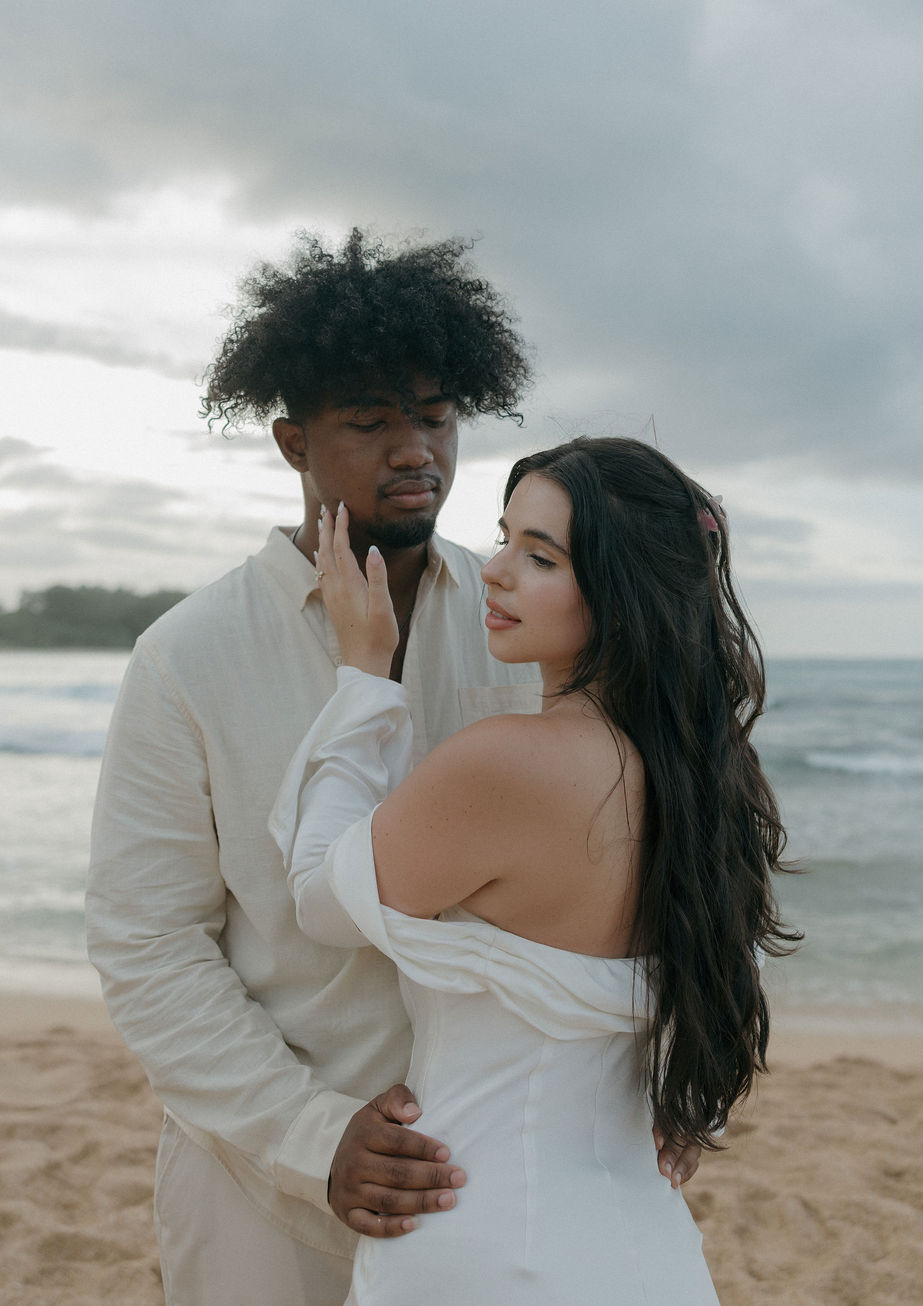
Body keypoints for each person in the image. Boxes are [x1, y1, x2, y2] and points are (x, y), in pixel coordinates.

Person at [87, 229, 554, 1305]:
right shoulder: (187, 654)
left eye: (435, 417)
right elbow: (147, 940)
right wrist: (312, 1133)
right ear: (294, 442)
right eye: (370, 422)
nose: (416, 451)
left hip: (490, 1157)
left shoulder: (524, 623)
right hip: (258, 1179)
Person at [271, 436, 801, 1304]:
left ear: (622, 593)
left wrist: (364, 675)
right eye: (504, 537)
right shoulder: (708, 783)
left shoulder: (510, 765)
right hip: (646, 1245)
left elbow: (322, 897)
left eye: (540, 555)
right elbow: (724, 973)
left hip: (486, 1238)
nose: (494, 570)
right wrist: (688, 1115)